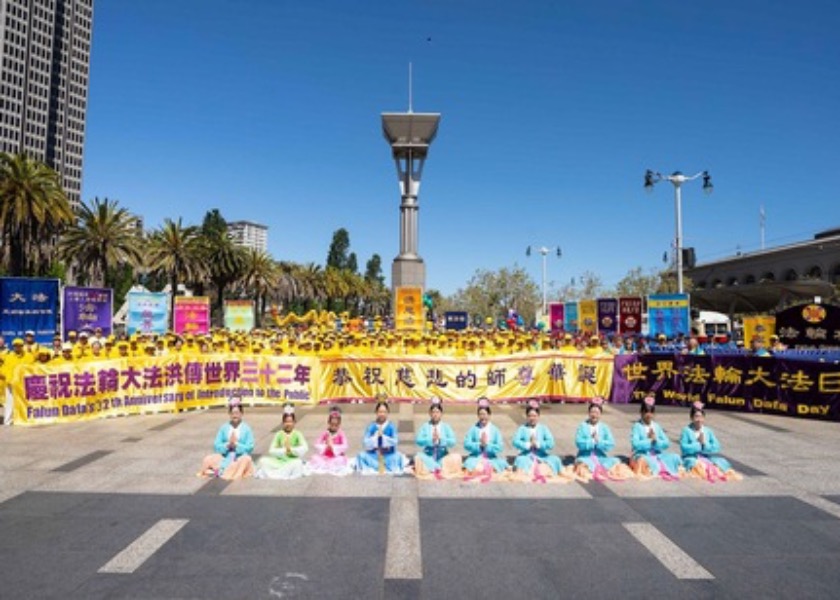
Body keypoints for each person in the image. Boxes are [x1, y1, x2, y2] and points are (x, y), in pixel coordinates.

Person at [573, 397, 633, 481]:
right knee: (581, 465)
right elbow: (578, 442)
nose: (594, 415)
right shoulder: (583, 426)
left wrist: (599, 442)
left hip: (600, 457)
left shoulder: (604, 427)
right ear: (589, 413)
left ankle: (600, 470)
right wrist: (592, 441)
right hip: (585, 456)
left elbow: (611, 443)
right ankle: (596, 471)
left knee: (615, 462)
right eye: (592, 412)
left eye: (597, 412)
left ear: (600, 414)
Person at [680, 401, 741, 482]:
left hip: (706, 457)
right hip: (691, 457)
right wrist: (697, 444)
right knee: (697, 465)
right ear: (691, 418)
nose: (699, 420)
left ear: (704, 418)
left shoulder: (708, 431)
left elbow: (717, 446)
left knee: (720, 462)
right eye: (696, 417)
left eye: (701, 417)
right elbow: (683, 447)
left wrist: (705, 444)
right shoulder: (686, 430)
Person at [198, 400, 255, 480]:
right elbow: (216, 445)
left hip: (239, 458)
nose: (235, 416)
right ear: (229, 414)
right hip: (225, 457)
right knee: (209, 459)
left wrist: (237, 445)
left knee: (246, 459)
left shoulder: (246, 429)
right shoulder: (224, 427)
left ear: (242, 414)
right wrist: (227, 445)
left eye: (237, 413)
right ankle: (222, 470)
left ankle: (225, 472)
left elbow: (250, 447)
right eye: (232, 413)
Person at [629, 396, 683, 480]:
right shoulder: (637, 426)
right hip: (642, 454)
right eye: (646, 412)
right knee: (643, 460)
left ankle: (660, 469)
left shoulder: (656, 426)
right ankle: (653, 469)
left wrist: (656, 441)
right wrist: (649, 440)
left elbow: (666, 443)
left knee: (675, 457)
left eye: (651, 412)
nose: (649, 415)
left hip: (657, 454)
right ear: (641, 412)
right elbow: (635, 444)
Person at [512, 399, 565, 482]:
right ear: (527, 416)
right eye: (530, 416)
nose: (532, 418)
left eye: (534, 416)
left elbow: (551, 443)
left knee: (555, 459)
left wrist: (538, 444)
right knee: (520, 461)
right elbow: (515, 441)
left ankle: (539, 470)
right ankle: (535, 471)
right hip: (526, 456)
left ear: (538, 416)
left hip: (542, 456)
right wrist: (528, 444)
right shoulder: (522, 428)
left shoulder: (543, 428)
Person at [355, 400, 408, 474]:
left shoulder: (391, 426)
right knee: (361, 456)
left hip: (388, 456)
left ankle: (382, 467)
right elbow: (365, 442)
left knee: (398, 457)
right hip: (374, 456)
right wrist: (375, 438)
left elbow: (395, 441)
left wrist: (384, 438)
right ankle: (378, 467)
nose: (382, 414)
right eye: (380, 412)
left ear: (387, 413)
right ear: (376, 412)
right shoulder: (372, 426)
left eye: (384, 412)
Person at [414, 397, 462, 480]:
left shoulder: (446, 426)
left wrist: (441, 440)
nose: (435, 414)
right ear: (430, 413)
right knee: (418, 458)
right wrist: (430, 440)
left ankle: (435, 468)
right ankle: (436, 468)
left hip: (443, 456)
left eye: (437, 412)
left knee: (457, 457)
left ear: (441, 413)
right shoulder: (425, 426)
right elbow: (418, 440)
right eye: (433, 412)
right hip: (428, 456)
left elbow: (453, 442)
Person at [256, 404, 308, 479]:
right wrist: (284, 451)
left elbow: (304, 448)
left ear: (294, 422)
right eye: (286, 422)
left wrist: (291, 450)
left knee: (298, 463)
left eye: (290, 422)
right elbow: (271, 450)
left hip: (292, 461)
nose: (288, 424)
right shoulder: (279, 434)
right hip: (279, 462)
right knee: (263, 461)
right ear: (283, 423)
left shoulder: (297, 434)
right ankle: (282, 473)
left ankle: (282, 473)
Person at [463, 398, 509, 481]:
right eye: (480, 414)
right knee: (471, 466)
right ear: (478, 416)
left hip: (490, 458)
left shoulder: (495, 430)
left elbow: (500, 446)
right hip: (476, 457)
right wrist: (479, 445)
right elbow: (466, 444)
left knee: (495, 467)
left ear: (489, 415)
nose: (483, 417)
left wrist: (487, 446)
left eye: (485, 414)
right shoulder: (473, 429)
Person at [305, 407, 352, 476]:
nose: (333, 427)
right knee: (315, 458)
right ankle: (326, 464)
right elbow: (317, 443)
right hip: (325, 455)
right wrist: (325, 446)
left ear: (339, 424)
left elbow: (345, 445)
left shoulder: (340, 434)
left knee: (340, 460)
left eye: (336, 425)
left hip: (336, 456)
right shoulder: (325, 433)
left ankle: (332, 465)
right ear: (328, 423)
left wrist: (333, 447)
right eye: (332, 424)